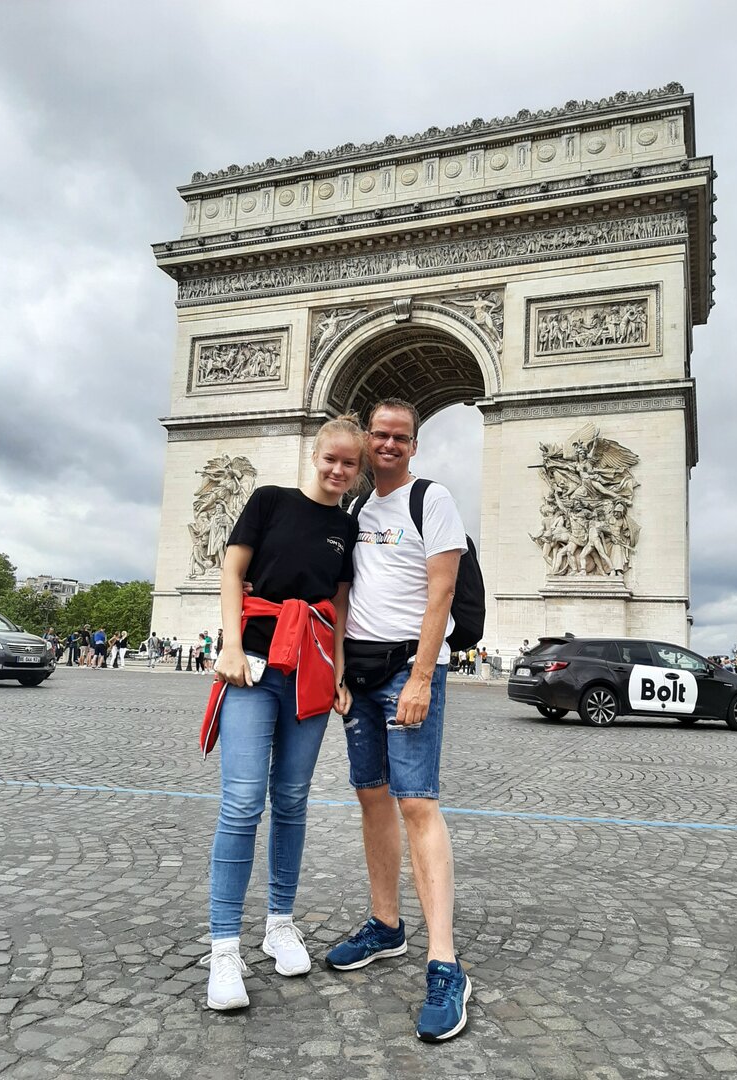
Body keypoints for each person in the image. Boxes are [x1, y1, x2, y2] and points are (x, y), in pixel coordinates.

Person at [199, 413, 364, 1012]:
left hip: (310, 673)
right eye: (331, 458)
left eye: (350, 463)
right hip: (252, 666)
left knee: (292, 799)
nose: (338, 470)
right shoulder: (269, 500)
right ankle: (223, 946)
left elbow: (337, 607)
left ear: (358, 470)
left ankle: (279, 924)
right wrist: (230, 645)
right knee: (243, 802)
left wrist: (339, 671)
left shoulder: (347, 527)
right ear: (314, 454)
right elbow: (232, 570)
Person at [325, 398, 472, 1044]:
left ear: (414, 444)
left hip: (407, 673)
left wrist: (420, 676)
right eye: (379, 435)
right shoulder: (356, 507)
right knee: (371, 796)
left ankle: (445, 963)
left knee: (417, 802)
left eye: (400, 437)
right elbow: (344, 594)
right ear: (366, 438)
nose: (388, 444)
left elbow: (442, 591)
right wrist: (336, 669)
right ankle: (386, 925)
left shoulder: (431, 500)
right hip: (358, 674)